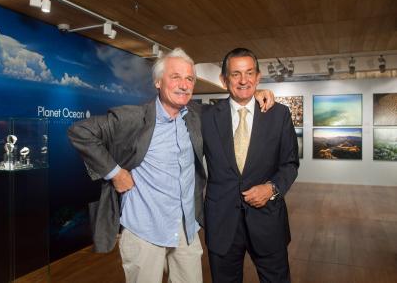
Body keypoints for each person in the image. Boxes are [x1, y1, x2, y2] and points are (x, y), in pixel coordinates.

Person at [68, 48, 274, 283]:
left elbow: (234, 105)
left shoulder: (197, 115)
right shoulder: (133, 117)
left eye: (189, 79)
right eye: (175, 77)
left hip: (186, 231)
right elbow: (80, 132)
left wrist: (257, 94)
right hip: (144, 230)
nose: (184, 85)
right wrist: (115, 172)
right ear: (157, 81)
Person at [202, 48, 299, 283]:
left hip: (267, 222)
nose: (243, 80)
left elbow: (290, 163)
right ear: (224, 80)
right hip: (222, 223)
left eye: (249, 73)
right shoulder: (205, 116)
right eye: (236, 74)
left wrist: (271, 188)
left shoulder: (279, 115)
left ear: (258, 76)